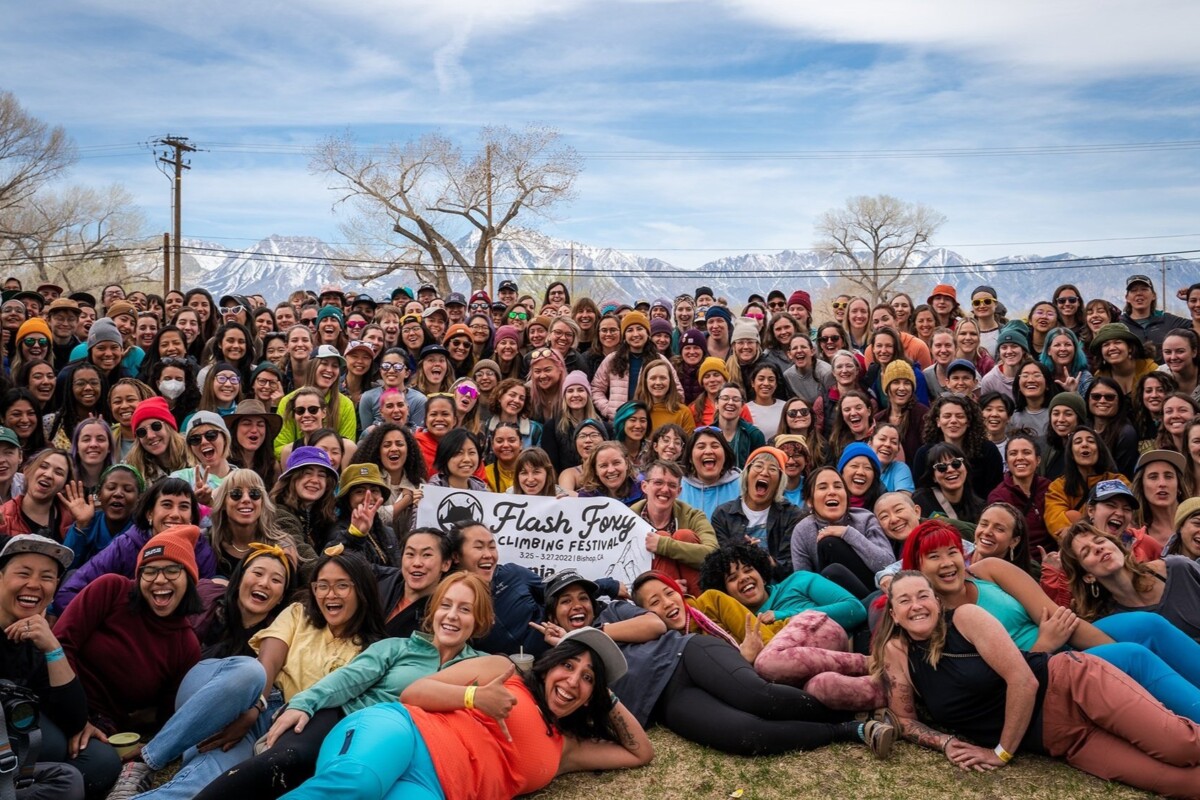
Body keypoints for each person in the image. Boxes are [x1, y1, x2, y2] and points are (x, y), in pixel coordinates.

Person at [874, 570, 1200, 797]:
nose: (916, 605)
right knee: (1182, 784)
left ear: (937, 600)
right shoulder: (898, 653)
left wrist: (1001, 753)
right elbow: (904, 719)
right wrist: (946, 743)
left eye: (923, 596)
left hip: (1073, 686)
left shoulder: (965, 618)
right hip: (1065, 741)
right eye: (905, 601)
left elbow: (1023, 680)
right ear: (895, 613)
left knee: (1181, 745)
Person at [193, 572, 490, 800]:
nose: (451, 616)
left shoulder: (482, 665)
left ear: (478, 620)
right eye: (445, 606)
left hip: (407, 749)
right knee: (284, 762)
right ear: (433, 611)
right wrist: (304, 702)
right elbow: (349, 678)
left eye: (464, 609)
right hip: (344, 720)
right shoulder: (398, 647)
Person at [271, 628, 653, 800]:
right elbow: (414, 692)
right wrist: (473, 698)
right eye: (567, 666)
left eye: (586, 678)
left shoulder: (565, 749)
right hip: (402, 732)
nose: (572, 681)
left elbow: (640, 752)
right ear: (549, 665)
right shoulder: (503, 672)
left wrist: (603, 690)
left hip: (436, 789)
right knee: (359, 785)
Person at [0, 535, 115, 800]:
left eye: (47, 577)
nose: (34, 585)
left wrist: (53, 649)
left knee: (100, 760)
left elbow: (73, 721)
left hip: (17, 754)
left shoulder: (35, 637)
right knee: (50, 744)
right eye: (23, 573)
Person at [1060, 521, 1200, 642]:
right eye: (1086, 552)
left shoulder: (1177, 568)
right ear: (1088, 576)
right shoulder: (1107, 622)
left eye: (1100, 541)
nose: (1098, 548)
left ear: (1117, 546)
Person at [790, 466, 893, 598]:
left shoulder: (865, 518)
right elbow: (803, 583)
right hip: (832, 601)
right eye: (823, 487)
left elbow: (887, 564)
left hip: (875, 594)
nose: (832, 492)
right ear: (810, 501)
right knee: (830, 559)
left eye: (838, 487)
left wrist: (847, 533)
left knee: (830, 544)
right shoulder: (802, 530)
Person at [711, 447, 803, 580]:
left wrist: (766, 560)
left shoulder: (792, 515)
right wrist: (742, 551)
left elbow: (791, 567)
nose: (764, 473)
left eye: (772, 469)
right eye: (758, 466)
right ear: (747, 474)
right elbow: (720, 564)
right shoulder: (723, 514)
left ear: (779, 482)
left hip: (779, 589)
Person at [631, 459, 718, 589]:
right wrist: (666, 586)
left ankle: (700, 607)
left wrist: (664, 545)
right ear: (644, 486)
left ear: (679, 491)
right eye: (658, 482)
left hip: (692, 587)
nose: (665, 489)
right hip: (649, 594)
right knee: (662, 534)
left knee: (684, 535)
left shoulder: (693, 516)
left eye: (672, 485)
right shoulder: (627, 518)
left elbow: (713, 555)